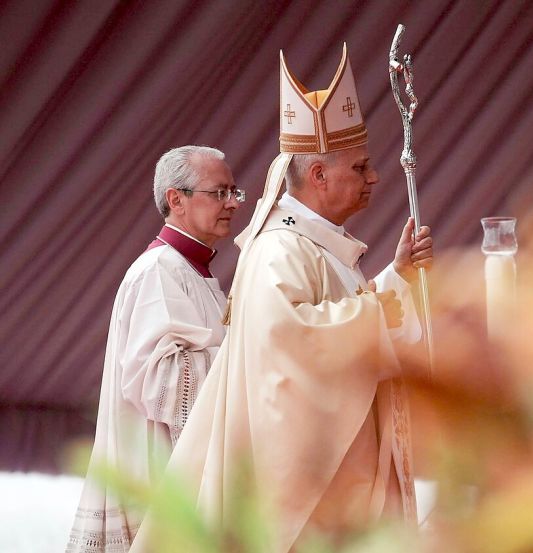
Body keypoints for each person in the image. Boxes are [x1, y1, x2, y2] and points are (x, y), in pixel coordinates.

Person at [130, 45, 433, 551]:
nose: (373, 177)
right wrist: (380, 311)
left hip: (346, 477)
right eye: (359, 168)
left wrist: (396, 277)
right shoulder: (279, 250)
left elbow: (337, 322)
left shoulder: (315, 246)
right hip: (313, 494)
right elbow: (292, 342)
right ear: (318, 175)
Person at [66, 145, 243, 553]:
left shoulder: (194, 273)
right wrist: (249, 356)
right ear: (175, 199)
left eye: (235, 191)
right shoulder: (159, 270)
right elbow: (161, 383)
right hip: (159, 474)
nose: (232, 203)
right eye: (219, 192)